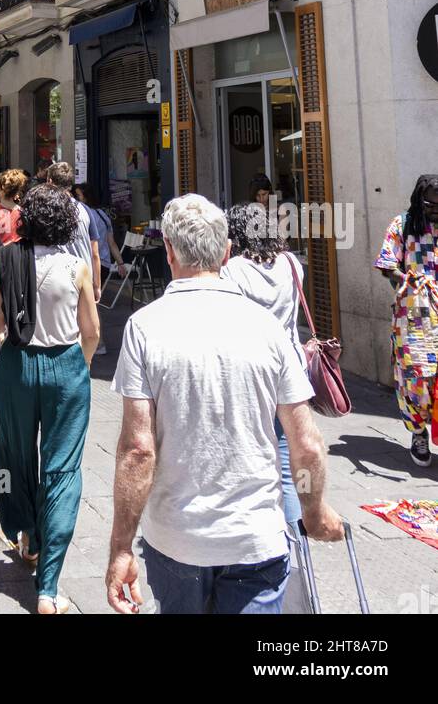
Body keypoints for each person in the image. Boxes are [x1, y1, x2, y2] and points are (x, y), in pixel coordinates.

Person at [106, 194, 343, 617]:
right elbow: (306, 444)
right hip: (256, 537)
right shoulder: (269, 330)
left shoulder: (144, 327)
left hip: (178, 538)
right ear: (227, 251)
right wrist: (313, 512)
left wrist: (121, 547)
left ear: (170, 251)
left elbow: (138, 451)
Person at [0, 184, 98, 613]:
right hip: (66, 369)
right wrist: (78, 370)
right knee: (61, 471)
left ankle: (27, 534)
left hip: (18, 368)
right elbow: (91, 332)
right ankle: (48, 586)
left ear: (26, 220)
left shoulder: (7, 260)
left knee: (14, 457)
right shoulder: (77, 267)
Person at [224, 205, 308, 534]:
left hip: (248, 374)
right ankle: (293, 534)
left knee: (249, 451)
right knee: (288, 458)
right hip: (289, 371)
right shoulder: (291, 264)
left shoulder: (232, 271)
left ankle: (254, 525)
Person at [375, 175, 438, 467]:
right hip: (412, 317)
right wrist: (407, 278)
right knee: (415, 379)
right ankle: (417, 432)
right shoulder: (402, 225)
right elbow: (387, 265)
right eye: (429, 204)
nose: (434, 210)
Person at [75, 182, 128, 357]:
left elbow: (95, 249)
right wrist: (120, 263)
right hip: (103, 264)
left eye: (79, 196)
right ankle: (94, 341)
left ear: (86, 197)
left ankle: (97, 342)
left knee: (87, 305)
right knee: (89, 303)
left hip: (89, 264)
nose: (76, 199)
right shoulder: (104, 216)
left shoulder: (82, 215)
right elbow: (112, 243)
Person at [46, 162, 100, 293]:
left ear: (49, 181)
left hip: (55, 281)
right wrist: (97, 286)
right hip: (84, 281)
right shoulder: (85, 209)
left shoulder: (45, 210)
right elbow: (95, 253)